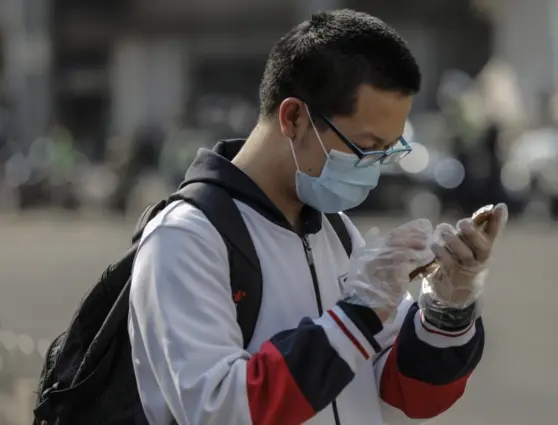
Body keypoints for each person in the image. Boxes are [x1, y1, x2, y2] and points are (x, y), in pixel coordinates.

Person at [129, 9, 508, 425]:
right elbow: (221, 410)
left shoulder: (336, 229)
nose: (376, 166)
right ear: (293, 118)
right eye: (366, 146)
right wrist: (358, 314)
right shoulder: (186, 238)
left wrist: (447, 307)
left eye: (388, 149)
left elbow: (410, 393)